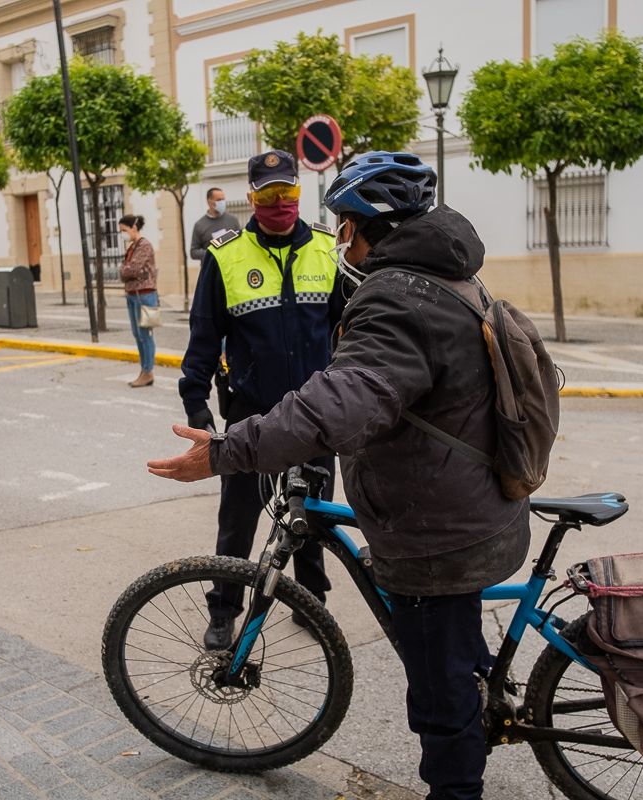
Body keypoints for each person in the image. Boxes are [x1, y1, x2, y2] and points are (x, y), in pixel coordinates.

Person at [150, 151, 530, 800]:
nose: (342, 239)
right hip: (460, 502)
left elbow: (341, 399)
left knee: (440, 708)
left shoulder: (397, 299)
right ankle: (471, 689)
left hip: (435, 529)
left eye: (348, 225)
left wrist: (220, 452)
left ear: (374, 227)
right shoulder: (442, 276)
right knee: (452, 664)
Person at [179, 149, 343, 651]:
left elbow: (348, 330)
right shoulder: (225, 256)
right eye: (269, 195)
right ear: (252, 198)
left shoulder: (325, 248)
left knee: (312, 516)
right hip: (251, 415)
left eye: (288, 192)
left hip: (316, 413)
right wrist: (197, 405)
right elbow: (203, 339)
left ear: (299, 192)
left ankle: (312, 601)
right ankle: (225, 608)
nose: (280, 203)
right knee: (238, 519)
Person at [119, 214, 158, 388]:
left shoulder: (144, 245)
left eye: (124, 230)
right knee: (137, 335)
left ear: (133, 228)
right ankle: (144, 370)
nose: (122, 234)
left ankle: (148, 371)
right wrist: (124, 270)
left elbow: (132, 270)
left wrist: (124, 271)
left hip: (145, 294)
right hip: (133, 294)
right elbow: (126, 269)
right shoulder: (133, 247)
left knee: (145, 335)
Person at [189, 187, 240, 262]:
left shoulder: (233, 220)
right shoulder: (199, 225)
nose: (222, 202)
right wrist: (212, 252)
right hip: (212, 269)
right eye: (219, 200)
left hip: (231, 267)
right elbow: (193, 252)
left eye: (223, 199)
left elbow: (240, 243)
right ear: (209, 202)